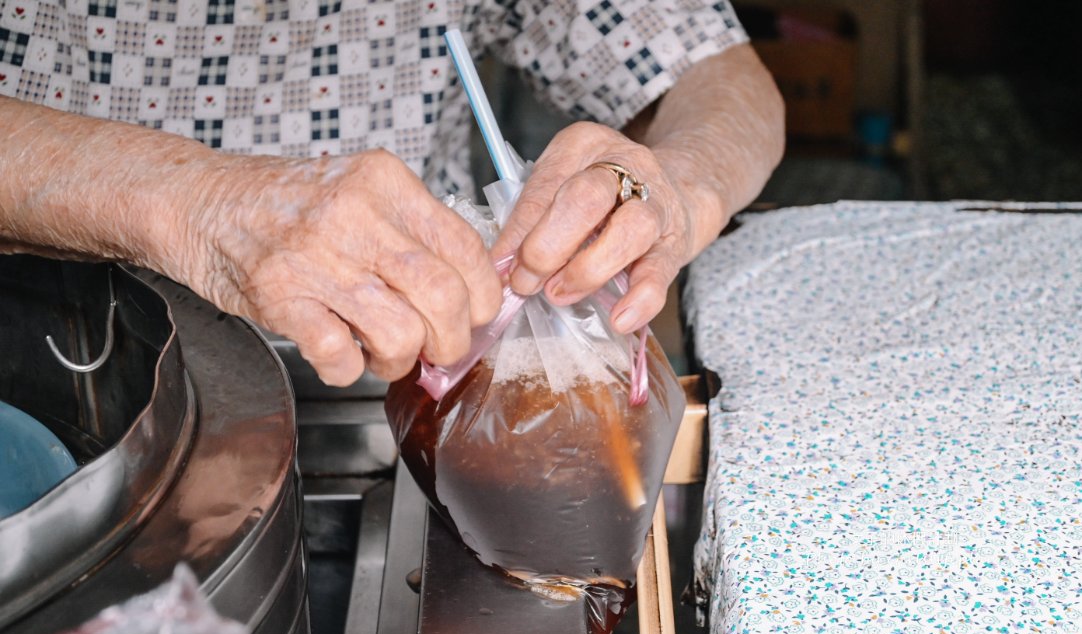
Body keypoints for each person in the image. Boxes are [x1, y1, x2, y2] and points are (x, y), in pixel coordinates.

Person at [0, 0, 783, 386]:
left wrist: (679, 183)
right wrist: (199, 204)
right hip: (52, 413)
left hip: (414, 396)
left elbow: (722, 77)